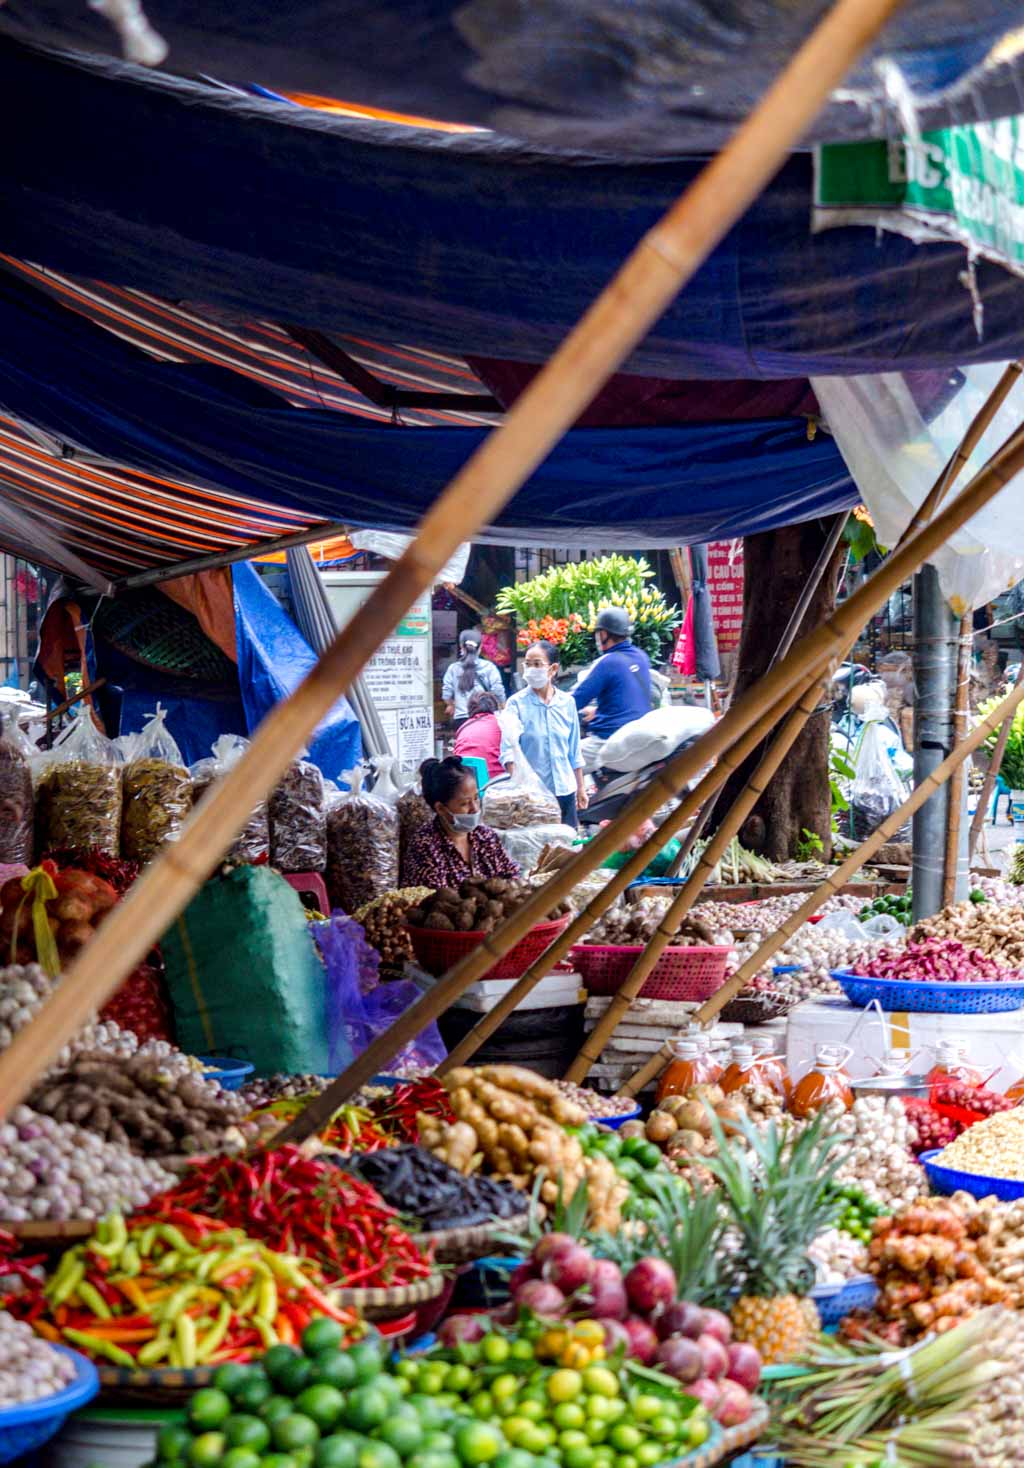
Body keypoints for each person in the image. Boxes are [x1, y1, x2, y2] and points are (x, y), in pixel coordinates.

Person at [502, 640, 588, 828]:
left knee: (567, 843)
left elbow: (574, 751)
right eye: (528, 664)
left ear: (553, 669)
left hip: (565, 791)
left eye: (537, 664)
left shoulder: (567, 703)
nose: (531, 669)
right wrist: (521, 788)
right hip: (534, 796)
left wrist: (581, 788)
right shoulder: (516, 704)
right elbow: (508, 752)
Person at [401, 755, 520, 889]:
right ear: (440, 808)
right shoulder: (425, 847)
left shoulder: (485, 836)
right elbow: (433, 898)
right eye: (464, 803)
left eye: (476, 798)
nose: (475, 808)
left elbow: (512, 875)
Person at [571, 607, 653, 771]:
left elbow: (574, 701)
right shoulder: (641, 657)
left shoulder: (608, 662)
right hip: (636, 733)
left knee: (557, 763)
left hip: (607, 740)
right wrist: (597, 710)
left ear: (603, 634)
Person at [442, 628, 505, 727]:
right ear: (480, 647)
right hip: (485, 718)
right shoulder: (489, 667)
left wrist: (451, 705)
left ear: (461, 647)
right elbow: (497, 689)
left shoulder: (453, 668)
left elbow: (446, 694)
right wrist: (502, 705)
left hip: (461, 719)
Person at [454, 689, 504, 778]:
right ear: (495, 708)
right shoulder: (501, 724)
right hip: (496, 780)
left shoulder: (463, 728)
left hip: (465, 781)